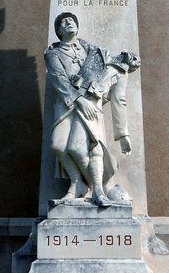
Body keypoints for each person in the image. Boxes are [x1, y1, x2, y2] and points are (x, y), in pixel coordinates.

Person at [44, 12, 140, 206]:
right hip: (67, 104)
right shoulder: (53, 54)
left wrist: (129, 60)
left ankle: (97, 188)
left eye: (71, 20)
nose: (69, 22)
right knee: (57, 145)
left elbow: (111, 66)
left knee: (81, 147)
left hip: (90, 104)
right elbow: (59, 80)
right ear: (58, 31)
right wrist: (79, 100)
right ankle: (80, 182)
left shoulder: (92, 50)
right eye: (63, 21)